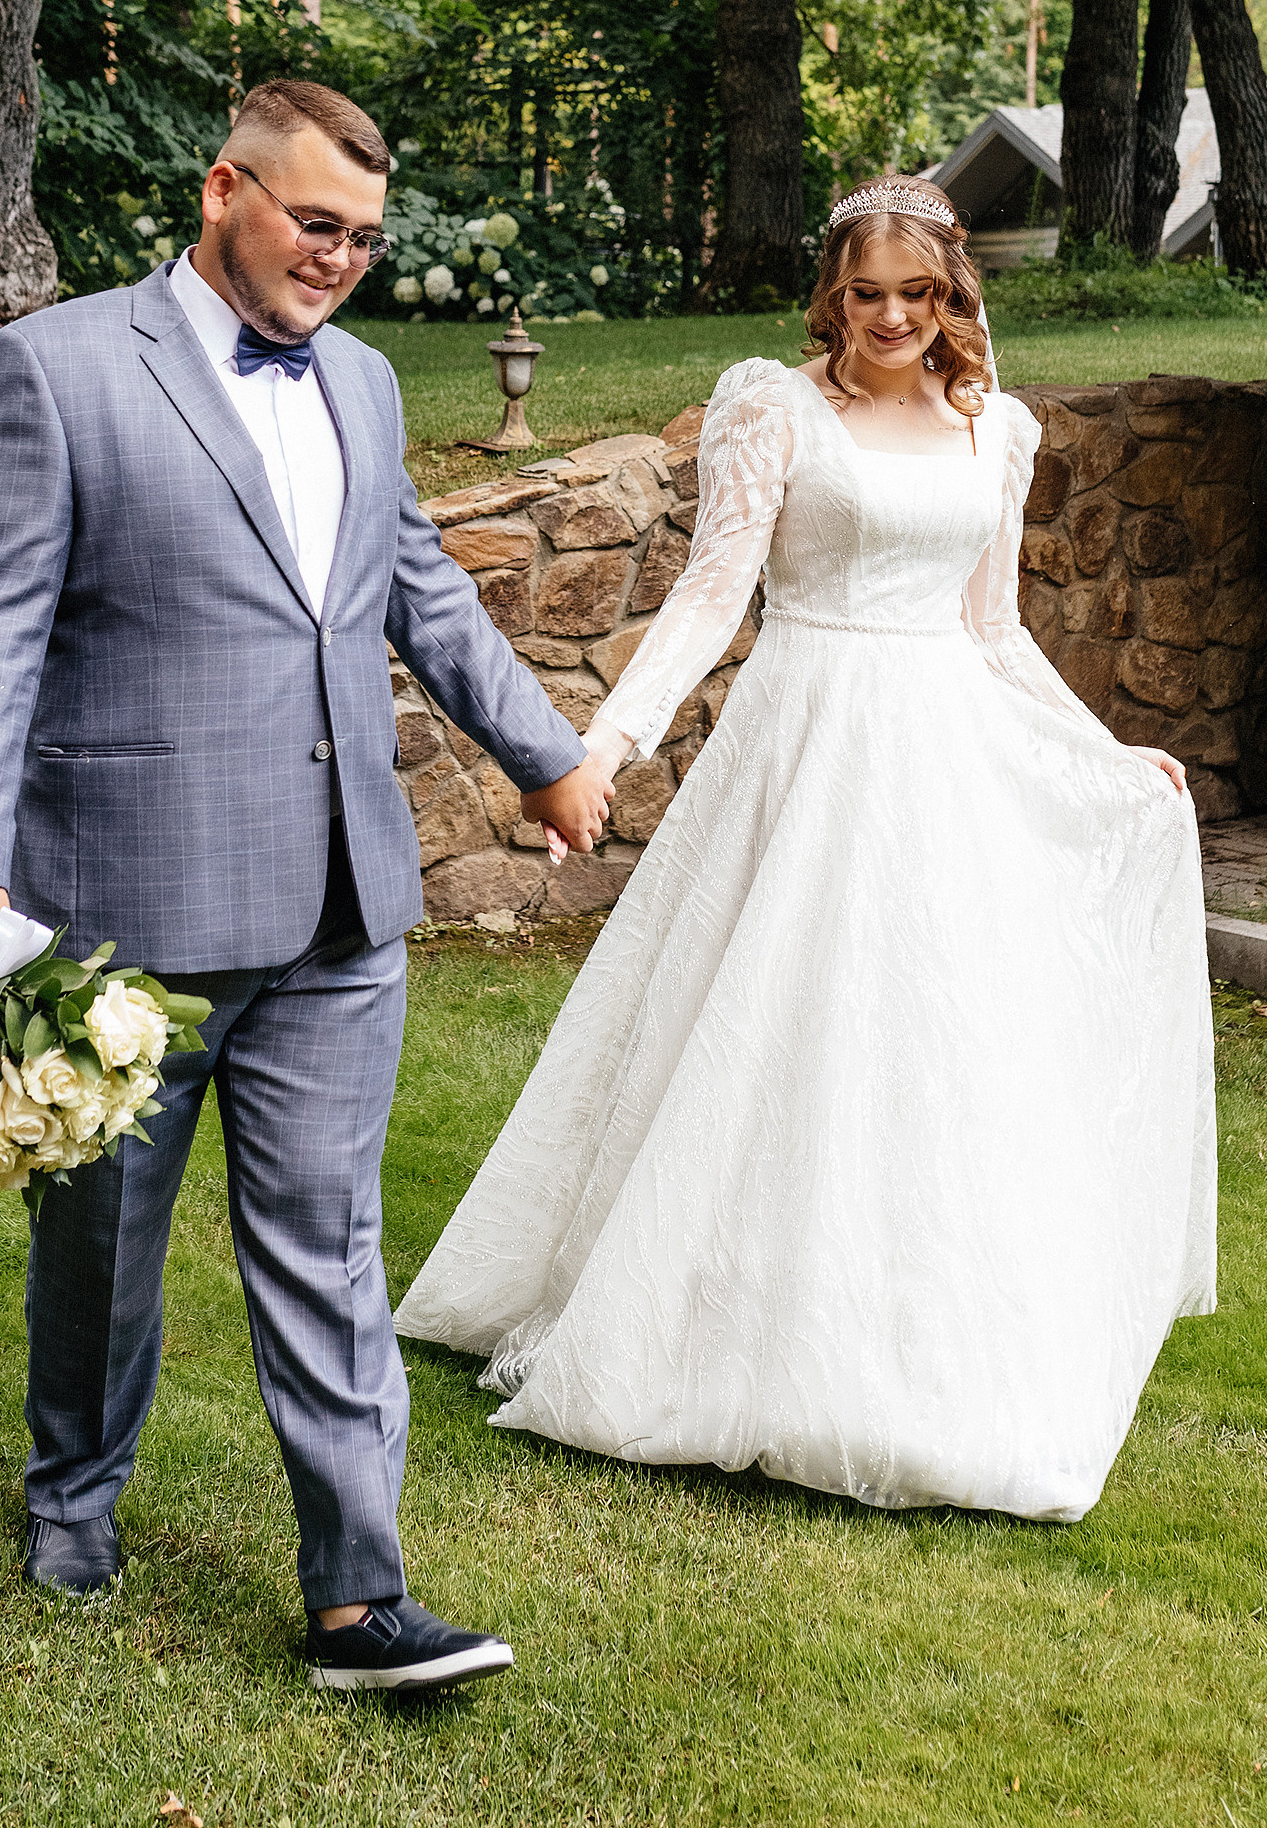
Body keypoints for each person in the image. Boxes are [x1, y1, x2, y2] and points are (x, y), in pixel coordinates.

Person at [0, 77, 613, 1694]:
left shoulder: (362, 382)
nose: (340, 260)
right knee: (103, 1245)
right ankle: (72, 1499)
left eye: (365, 237)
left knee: (329, 1242)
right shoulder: (56, 369)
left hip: (342, 903)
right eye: (315, 223)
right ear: (225, 188)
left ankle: (360, 1598)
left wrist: (545, 754)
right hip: (127, 910)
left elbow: (415, 589)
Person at [397, 178, 1216, 1522]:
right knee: (768, 1024)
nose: (893, 318)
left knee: (928, 1044)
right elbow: (713, 596)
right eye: (868, 294)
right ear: (832, 293)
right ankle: (709, 1311)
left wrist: (1101, 754)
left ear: (954, 298)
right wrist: (605, 747)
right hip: (807, 732)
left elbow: (993, 630)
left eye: (920, 295)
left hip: (939, 753)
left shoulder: (993, 430)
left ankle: (909, 1330)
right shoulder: (770, 407)